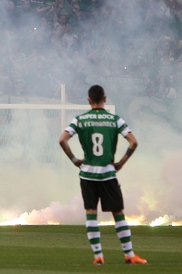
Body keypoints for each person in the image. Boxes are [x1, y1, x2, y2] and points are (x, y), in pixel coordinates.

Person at [59, 85, 147, 265]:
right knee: (118, 212)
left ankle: (98, 256)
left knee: (91, 212)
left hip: (87, 174)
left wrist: (75, 160)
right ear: (105, 99)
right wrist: (121, 162)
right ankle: (129, 255)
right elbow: (133, 142)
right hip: (108, 173)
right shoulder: (115, 119)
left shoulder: (79, 120)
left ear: (89, 100)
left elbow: (62, 140)